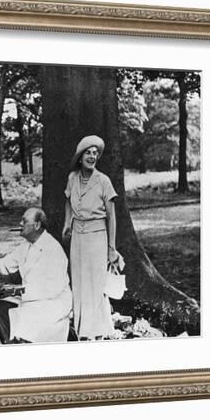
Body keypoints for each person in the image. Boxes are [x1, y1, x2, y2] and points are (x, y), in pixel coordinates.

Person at [62, 135, 123, 341]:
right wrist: (67, 223)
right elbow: (68, 201)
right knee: (79, 280)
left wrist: (111, 247)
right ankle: (82, 329)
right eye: (88, 153)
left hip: (97, 236)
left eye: (95, 153)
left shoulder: (103, 180)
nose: (92, 156)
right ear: (80, 157)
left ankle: (97, 329)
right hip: (78, 237)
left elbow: (111, 216)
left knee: (96, 283)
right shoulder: (72, 178)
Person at [0, 208, 73, 343]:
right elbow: (4, 266)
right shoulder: (25, 246)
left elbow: (54, 289)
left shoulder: (53, 249)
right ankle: (8, 346)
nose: (20, 223)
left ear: (37, 225)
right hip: (31, 299)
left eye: (24, 221)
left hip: (53, 302)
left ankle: (21, 347)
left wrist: (21, 290)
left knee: (28, 315)